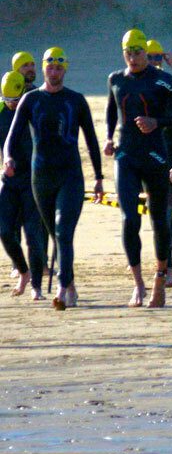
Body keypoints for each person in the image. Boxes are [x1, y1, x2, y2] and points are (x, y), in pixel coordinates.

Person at [3, 48, 104, 310]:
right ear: (45, 69)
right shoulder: (30, 100)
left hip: (70, 176)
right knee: (52, 233)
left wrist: (99, 177)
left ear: (65, 70)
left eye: (59, 67)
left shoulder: (76, 100)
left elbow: (92, 141)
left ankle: (61, 287)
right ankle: (70, 284)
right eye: (50, 66)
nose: (54, 71)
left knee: (63, 232)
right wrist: (8, 160)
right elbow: (11, 140)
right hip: (40, 179)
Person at [106, 29, 172, 307]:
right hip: (126, 156)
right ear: (123, 54)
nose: (133, 58)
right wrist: (109, 138)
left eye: (138, 53)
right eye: (128, 53)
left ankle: (159, 279)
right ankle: (138, 284)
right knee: (129, 219)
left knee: (159, 220)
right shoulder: (116, 79)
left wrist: (157, 122)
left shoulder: (162, 80)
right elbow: (112, 111)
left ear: (146, 53)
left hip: (156, 156)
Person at [0, 72, 47, 300]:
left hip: (32, 181)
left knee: (32, 235)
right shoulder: (1, 111)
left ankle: (36, 285)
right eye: (6, 100)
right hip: (9, 180)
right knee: (4, 231)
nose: (11, 105)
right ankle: (23, 271)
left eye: (14, 100)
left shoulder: (34, 108)